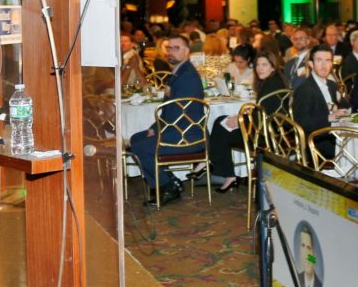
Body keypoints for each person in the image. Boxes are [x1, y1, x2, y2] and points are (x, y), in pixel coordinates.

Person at [129, 34, 205, 206]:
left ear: (186, 51)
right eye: (169, 48)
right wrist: (154, 127)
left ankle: (166, 186)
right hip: (175, 129)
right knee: (136, 139)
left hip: (187, 135)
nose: (171, 52)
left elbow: (179, 113)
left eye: (175, 48)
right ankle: (170, 180)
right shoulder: (177, 73)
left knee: (141, 147)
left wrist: (158, 130)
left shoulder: (188, 77)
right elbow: (167, 109)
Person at [207, 50, 287, 192]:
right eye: (257, 65)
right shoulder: (275, 81)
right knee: (221, 121)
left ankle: (222, 169)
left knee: (221, 128)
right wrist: (241, 117)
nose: (260, 68)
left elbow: (262, 114)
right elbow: (264, 110)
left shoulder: (270, 84)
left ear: (273, 67)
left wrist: (240, 120)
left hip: (264, 135)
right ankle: (224, 170)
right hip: (272, 129)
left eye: (264, 65)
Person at [292, 43, 345, 157]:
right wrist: (329, 117)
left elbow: (342, 106)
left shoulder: (331, 85)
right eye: (319, 60)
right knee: (357, 147)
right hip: (317, 142)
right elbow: (301, 122)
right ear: (311, 64)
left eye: (328, 61)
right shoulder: (304, 89)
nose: (324, 65)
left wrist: (339, 108)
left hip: (334, 134)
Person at [296, 223, 323, 287]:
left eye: (309, 248)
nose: (306, 254)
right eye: (303, 246)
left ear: (314, 253)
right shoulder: (296, 279)